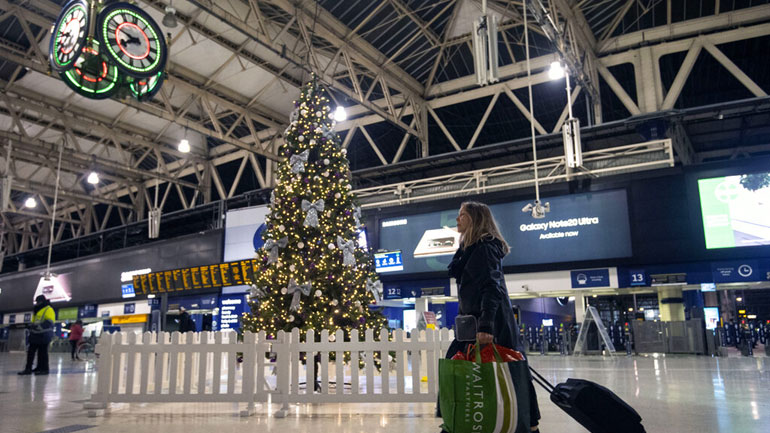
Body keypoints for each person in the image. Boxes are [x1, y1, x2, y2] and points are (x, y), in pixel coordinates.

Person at [440, 201, 541, 432]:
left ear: (475, 219)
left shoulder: (484, 247)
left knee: (508, 376)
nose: (457, 219)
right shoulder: (469, 249)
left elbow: (492, 287)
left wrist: (486, 325)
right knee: (493, 377)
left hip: (488, 327)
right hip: (472, 326)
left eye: (462, 215)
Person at [18, 295, 55, 375]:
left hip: (44, 335)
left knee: (42, 353)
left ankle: (44, 369)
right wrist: (31, 326)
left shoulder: (48, 309)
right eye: (37, 301)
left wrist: (38, 327)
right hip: (35, 335)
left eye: (38, 301)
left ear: (42, 301)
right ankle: (29, 369)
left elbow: (50, 322)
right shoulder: (37, 310)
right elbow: (36, 321)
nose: (37, 303)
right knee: (31, 353)